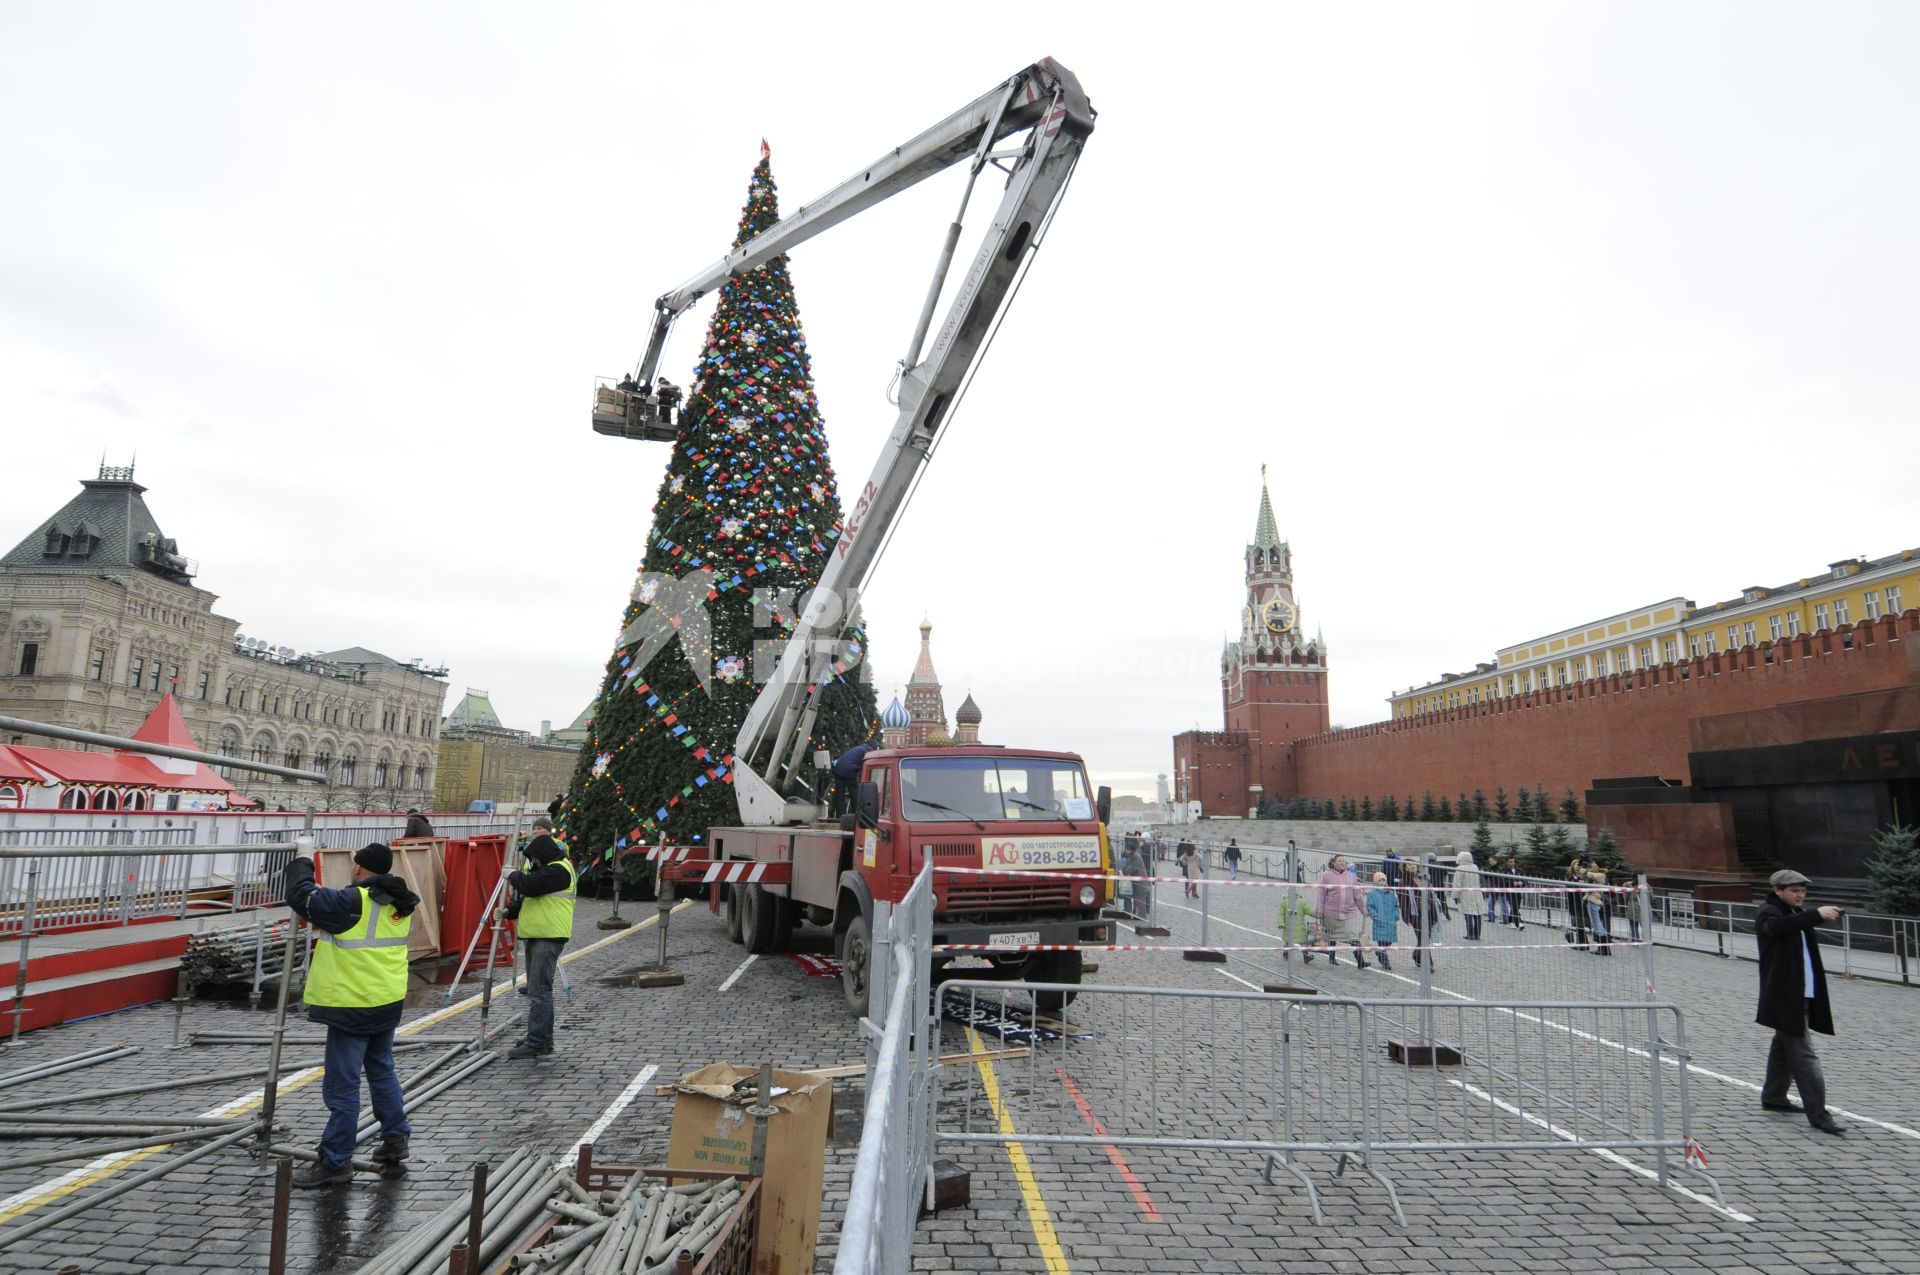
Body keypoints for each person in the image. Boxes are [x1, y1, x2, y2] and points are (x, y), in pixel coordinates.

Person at [283, 841, 419, 1187]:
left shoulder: (352, 902)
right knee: (382, 1070)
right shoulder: (400, 903)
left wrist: (302, 858)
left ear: (360, 868)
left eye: (356, 865)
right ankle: (395, 1139)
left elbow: (302, 897)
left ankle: (335, 1161)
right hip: (386, 1002)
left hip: (353, 1005)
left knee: (342, 1085)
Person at [1755, 869, 1845, 1136]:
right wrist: (1817, 914)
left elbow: (1796, 925)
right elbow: (1777, 928)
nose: (1800, 895)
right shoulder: (1768, 913)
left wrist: (1822, 916)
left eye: (1803, 891)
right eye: (1794, 891)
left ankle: (1774, 1097)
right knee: (1805, 1056)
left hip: (1803, 993)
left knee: (1784, 1046)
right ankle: (1819, 1114)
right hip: (1785, 998)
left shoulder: (1795, 914)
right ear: (1777, 890)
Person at [506, 817, 577, 1059]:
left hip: (549, 936)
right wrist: (509, 911)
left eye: (535, 858)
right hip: (537, 934)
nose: (533, 863)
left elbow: (529, 886)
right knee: (537, 991)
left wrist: (512, 875)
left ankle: (537, 1042)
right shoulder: (549, 869)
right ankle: (541, 1039)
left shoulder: (559, 870)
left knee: (539, 992)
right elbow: (531, 897)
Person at [1315, 855, 1367, 967]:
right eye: (1339, 860)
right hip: (1331, 912)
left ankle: (1360, 961)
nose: (1342, 862)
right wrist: (1320, 910)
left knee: (1353, 936)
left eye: (1344, 861)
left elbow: (1357, 895)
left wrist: (1364, 910)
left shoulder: (1351, 877)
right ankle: (1332, 958)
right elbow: (1321, 893)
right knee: (1332, 936)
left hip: (1347, 912)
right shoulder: (1326, 876)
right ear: (1333, 863)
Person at [1366, 871, 1400, 971]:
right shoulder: (1372, 893)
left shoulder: (1391, 892)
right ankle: (1385, 962)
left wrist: (1396, 915)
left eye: (1383, 880)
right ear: (1376, 882)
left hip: (1390, 921)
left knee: (1388, 942)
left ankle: (1380, 952)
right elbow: (1369, 906)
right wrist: (1375, 916)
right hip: (1379, 921)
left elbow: (1396, 905)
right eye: (1379, 880)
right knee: (1381, 942)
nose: (1381, 882)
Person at [1452, 850, 1485, 940]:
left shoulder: (1460, 868)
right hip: (1477, 892)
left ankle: (1470, 934)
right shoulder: (1475, 867)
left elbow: (1457, 883)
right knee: (1477, 914)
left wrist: (1455, 896)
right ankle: (1477, 934)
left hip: (1466, 894)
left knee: (1468, 914)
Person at [1583, 863, 1612, 955]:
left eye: (1593, 865)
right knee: (1597, 924)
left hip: (1594, 901)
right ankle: (1603, 948)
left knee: (1597, 925)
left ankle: (1604, 949)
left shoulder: (1601, 875)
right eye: (1590, 864)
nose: (1591, 866)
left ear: (1599, 866)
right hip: (1591, 901)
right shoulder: (1593, 875)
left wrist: (1585, 869)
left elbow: (1588, 874)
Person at [1566, 857, 1590, 948]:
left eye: (1578, 865)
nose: (1577, 867)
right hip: (1573, 902)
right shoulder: (1570, 877)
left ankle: (1582, 943)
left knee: (1580, 923)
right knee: (1577, 924)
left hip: (1582, 903)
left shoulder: (1584, 877)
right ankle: (1582, 943)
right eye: (1575, 865)